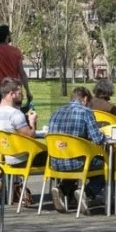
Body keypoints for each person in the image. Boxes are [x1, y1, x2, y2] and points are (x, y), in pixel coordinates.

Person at [46, 86, 107, 214]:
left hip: (55, 162)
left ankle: (62, 189)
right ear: (85, 99)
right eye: (90, 103)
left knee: (74, 161)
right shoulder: (86, 112)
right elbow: (97, 139)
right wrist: (104, 135)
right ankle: (87, 193)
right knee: (107, 165)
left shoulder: (56, 112)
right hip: (78, 162)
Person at [0, 77, 38, 206]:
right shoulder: (15, 114)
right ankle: (64, 191)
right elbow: (30, 135)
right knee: (52, 155)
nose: (22, 96)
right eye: (20, 93)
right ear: (11, 94)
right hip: (20, 157)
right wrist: (32, 122)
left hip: (3, 155)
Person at [0, 25, 31, 106]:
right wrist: (28, 92)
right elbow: (22, 73)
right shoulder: (16, 52)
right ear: (7, 37)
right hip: (14, 89)